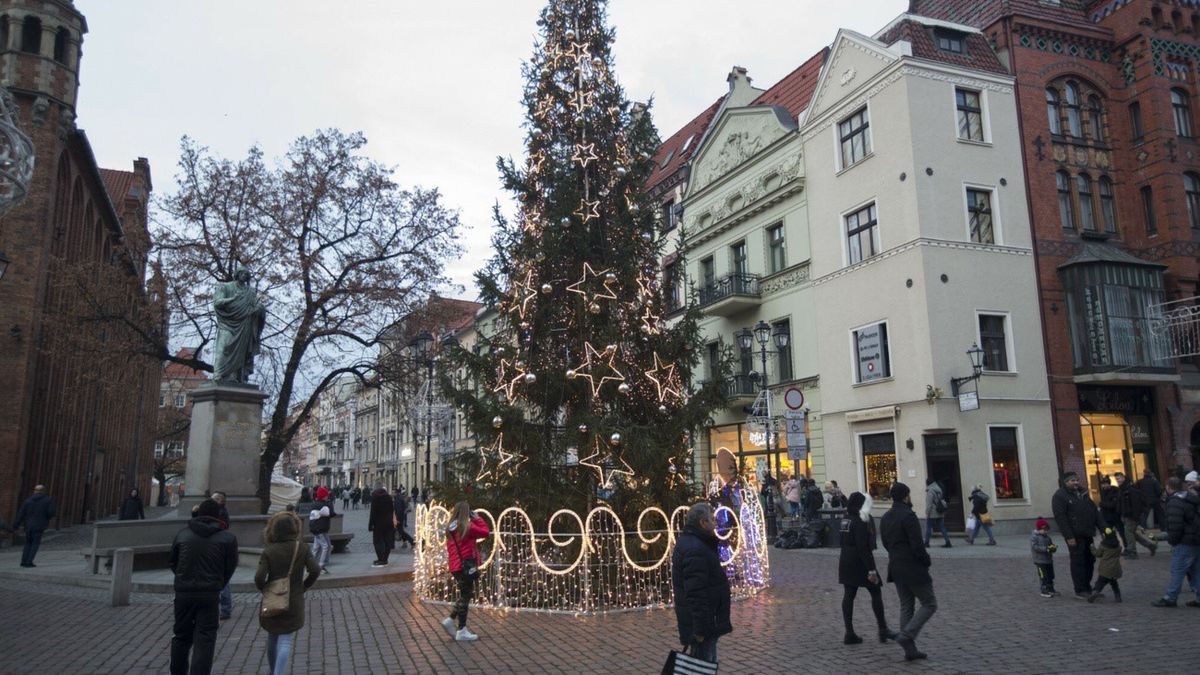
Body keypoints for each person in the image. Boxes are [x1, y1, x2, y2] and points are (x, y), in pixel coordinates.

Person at [169, 499, 238, 675]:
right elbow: (230, 567)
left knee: (181, 636)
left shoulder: (182, 534)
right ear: (218, 515)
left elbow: (173, 562)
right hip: (209, 593)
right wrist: (219, 584)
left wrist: (182, 578)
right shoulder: (227, 538)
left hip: (184, 593)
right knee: (205, 638)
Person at [254, 511, 319, 675]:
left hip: (272, 599)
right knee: (285, 640)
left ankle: (272, 669)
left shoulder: (269, 550)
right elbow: (315, 570)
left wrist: (265, 589)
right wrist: (304, 586)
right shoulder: (302, 548)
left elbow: (259, 576)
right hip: (293, 598)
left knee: (272, 636)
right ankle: (278, 672)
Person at [880, 482, 935, 661]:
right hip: (912, 566)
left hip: (896, 565)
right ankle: (908, 635)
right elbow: (917, 544)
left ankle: (909, 650)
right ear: (905, 496)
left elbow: (886, 543)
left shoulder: (886, 516)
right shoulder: (909, 516)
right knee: (929, 603)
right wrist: (925, 561)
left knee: (906, 605)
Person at [671, 502, 731, 664]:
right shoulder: (695, 549)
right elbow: (695, 592)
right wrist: (699, 629)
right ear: (702, 523)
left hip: (706, 618)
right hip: (703, 621)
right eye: (712, 519)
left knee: (704, 661)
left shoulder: (696, 543)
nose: (715, 523)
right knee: (704, 663)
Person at [838, 492, 895, 645]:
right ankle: (882, 628)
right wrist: (871, 570)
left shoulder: (845, 519)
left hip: (846, 559)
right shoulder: (860, 520)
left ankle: (849, 632)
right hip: (860, 561)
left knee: (849, 595)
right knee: (876, 591)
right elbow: (863, 547)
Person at [442, 501, 490, 641]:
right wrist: (477, 518)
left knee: (465, 594)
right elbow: (486, 532)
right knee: (466, 595)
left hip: (455, 566)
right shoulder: (467, 527)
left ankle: (451, 621)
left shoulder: (450, 528)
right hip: (466, 566)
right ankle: (461, 629)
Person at [1150, 474, 1200, 608]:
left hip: (1184, 541)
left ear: (1168, 487)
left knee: (1177, 570)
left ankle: (1170, 597)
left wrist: (1172, 540)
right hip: (1195, 539)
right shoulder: (1190, 498)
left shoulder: (1175, 502)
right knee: (1195, 570)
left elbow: (1175, 524)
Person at [1052, 471, 1102, 599]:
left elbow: (1094, 511)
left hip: (1087, 532)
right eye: (1072, 480)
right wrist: (1069, 536)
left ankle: (1087, 586)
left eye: (1076, 480)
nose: (1075, 483)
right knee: (1078, 561)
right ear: (1065, 482)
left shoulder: (1083, 493)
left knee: (1090, 560)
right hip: (1075, 535)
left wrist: (1104, 528)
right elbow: (1060, 518)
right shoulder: (1059, 496)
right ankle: (1080, 589)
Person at [13, 484, 55, 568]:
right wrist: (47, 518)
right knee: (35, 544)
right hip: (39, 525)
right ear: (43, 491)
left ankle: (23, 561)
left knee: (28, 543)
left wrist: (16, 525)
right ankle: (29, 562)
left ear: (35, 491)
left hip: (28, 525)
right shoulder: (48, 500)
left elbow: (21, 514)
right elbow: (51, 513)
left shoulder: (28, 501)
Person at [1116, 472, 1156, 558]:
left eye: (1119, 478)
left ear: (1123, 478)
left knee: (1128, 532)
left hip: (1131, 516)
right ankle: (1150, 546)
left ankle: (1132, 552)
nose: (1117, 480)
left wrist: (1134, 515)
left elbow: (1135, 504)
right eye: (1116, 479)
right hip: (1126, 515)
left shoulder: (1130, 489)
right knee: (1133, 534)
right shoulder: (1122, 489)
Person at [210, 491, 233, 620]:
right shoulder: (214, 511)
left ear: (221, 501)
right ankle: (223, 608)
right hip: (215, 548)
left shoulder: (221, 513)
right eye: (212, 498)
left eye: (216, 498)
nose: (213, 500)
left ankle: (225, 608)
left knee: (223, 582)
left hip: (218, 548)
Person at [1089, 527, 1123, 603]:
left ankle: (1095, 593)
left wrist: (1092, 547)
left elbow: (1097, 554)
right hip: (1115, 568)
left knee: (1100, 582)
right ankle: (1118, 596)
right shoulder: (1118, 546)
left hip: (1105, 568)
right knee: (1114, 584)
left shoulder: (1104, 546)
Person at [368, 482, 395, 567]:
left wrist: (370, 524)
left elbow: (373, 512)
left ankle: (380, 558)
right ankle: (385, 558)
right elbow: (392, 509)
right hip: (389, 522)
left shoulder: (375, 497)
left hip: (378, 523)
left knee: (377, 541)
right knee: (387, 540)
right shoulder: (389, 497)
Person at [1030, 518, 1059, 597]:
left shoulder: (1047, 537)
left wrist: (1053, 548)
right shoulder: (1034, 537)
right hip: (1040, 560)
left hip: (1048, 560)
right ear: (1039, 529)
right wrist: (1045, 549)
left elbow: (1050, 545)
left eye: (1047, 529)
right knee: (1043, 576)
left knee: (1051, 575)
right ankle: (1044, 590)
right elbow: (1035, 547)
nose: (1046, 531)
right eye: (1044, 529)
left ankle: (1050, 588)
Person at [309, 485, 334, 574]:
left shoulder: (315, 503)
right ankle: (320, 566)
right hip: (321, 529)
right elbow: (330, 513)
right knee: (326, 546)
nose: (327, 496)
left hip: (316, 528)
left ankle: (311, 565)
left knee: (316, 548)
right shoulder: (323, 504)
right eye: (326, 495)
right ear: (324, 496)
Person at [923, 478, 951, 548]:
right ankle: (948, 542)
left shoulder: (930, 491)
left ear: (927, 483)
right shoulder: (939, 489)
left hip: (932, 512)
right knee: (942, 527)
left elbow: (929, 503)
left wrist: (927, 512)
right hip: (940, 510)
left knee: (929, 527)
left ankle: (926, 543)